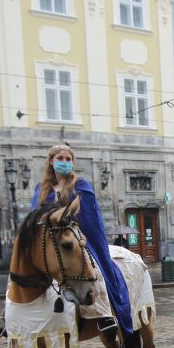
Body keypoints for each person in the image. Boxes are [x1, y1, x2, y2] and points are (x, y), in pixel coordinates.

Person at [31, 144, 128, 336]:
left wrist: (67, 218)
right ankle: (12, 316)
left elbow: (90, 216)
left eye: (68, 159)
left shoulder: (81, 185)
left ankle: (104, 314)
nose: (65, 162)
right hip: (48, 242)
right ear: (51, 161)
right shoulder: (41, 189)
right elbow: (34, 217)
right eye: (60, 158)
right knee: (21, 272)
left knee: (93, 270)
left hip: (75, 237)